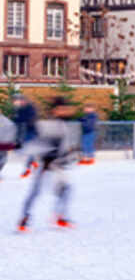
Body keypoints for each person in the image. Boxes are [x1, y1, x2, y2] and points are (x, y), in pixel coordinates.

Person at [16, 97, 80, 232]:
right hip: (45, 165)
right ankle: (24, 218)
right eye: (62, 109)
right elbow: (36, 143)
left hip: (57, 166)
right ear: (55, 110)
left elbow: (65, 147)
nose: (66, 111)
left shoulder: (64, 125)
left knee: (66, 190)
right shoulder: (46, 125)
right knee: (36, 192)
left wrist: (70, 156)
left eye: (66, 109)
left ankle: (60, 216)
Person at [14, 94, 39, 179]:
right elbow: (18, 120)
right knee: (29, 150)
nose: (19, 102)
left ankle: (27, 169)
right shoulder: (20, 109)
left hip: (31, 132)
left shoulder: (30, 108)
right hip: (25, 132)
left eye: (21, 101)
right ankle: (34, 162)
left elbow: (31, 119)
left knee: (29, 150)